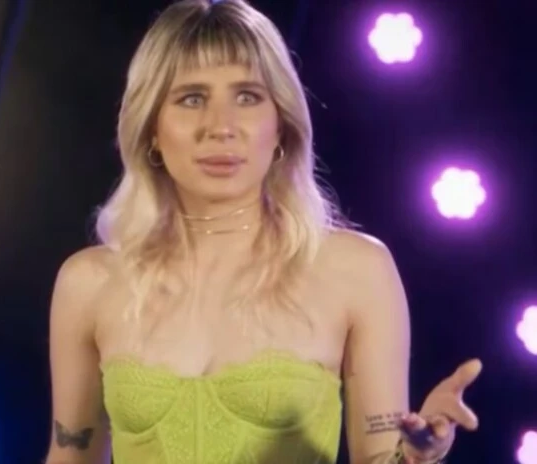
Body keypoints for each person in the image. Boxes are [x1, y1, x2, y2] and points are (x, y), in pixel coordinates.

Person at [44, 1, 482, 463]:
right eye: (191, 98)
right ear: (151, 127)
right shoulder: (89, 282)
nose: (220, 127)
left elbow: (380, 456)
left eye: (248, 97)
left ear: (281, 126)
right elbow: (70, 455)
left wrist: (418, 456)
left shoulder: (355, 270)